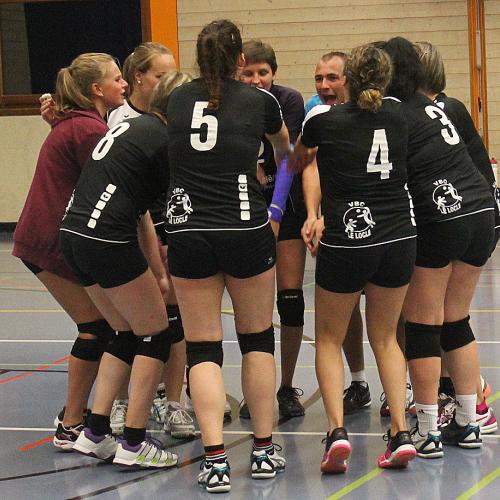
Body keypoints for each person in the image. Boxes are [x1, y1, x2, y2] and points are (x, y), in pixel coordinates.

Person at [165, 19, 289, 493]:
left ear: (198, 58)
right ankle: (263, 450)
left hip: (188, 227)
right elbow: (286, 151)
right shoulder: (261, 100)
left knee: (202, 347)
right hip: (243, 225)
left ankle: (214, 459)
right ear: (241, 60)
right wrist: (271, 195)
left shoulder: (176, 98)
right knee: (257, 339)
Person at [290, 43, 417, 472]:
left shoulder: (323, 120)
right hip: (398, 236)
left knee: (328, 338)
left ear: (347, 79)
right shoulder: (399, 112)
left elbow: (296, 160)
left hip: (349, 238)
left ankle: (336, 432)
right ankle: (400, 431)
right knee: (387, 338)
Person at [61, 71, 190, 469]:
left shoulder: (134, 128)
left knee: (124, 330)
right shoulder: (165, 140)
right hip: (106, 238)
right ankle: (134, 441)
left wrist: (157, 270)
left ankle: (96, 432)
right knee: (156, 332)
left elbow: (141, 214)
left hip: (73, 234)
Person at [383, 36, 495, 457]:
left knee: (424, 325)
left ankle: (428, 429)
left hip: (441, 214)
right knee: (456, 320)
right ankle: (468, 421)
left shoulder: (393, 113)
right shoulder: (435, 105)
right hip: (480, 211)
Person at [13, 53, 127, 450]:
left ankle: (78, 414)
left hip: (51, 238)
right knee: (96, 326)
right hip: (48, 241)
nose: (123, 84)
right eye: (117, 79)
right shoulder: (88, 130)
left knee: (101, 324)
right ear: (96, 89)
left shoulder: (81, 123)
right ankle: (71, 422)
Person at [415, 40, 497, 435]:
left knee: (437, 317)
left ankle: (467, 394)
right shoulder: (444, 109)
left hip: (459, 215)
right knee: (449, 317)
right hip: (474, 213)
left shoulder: (440, 111)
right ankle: (463, 399)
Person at [238, 39, 307, 419]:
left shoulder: (287, 100)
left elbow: (287, 156)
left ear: (274, 73)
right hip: (245, 204)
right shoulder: (232, 101)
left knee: (290, 298)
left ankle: (286, 386)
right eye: (248, 73)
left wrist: (277, 212)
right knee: (255, 306)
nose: (256, 79)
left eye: (262, 72)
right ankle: (257, 387)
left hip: (286, 205)